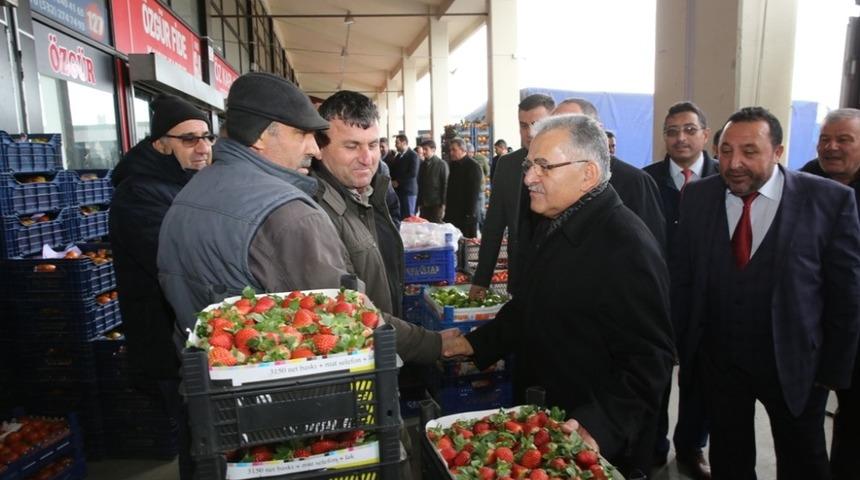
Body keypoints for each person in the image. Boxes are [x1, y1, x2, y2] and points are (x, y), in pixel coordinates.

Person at [443, 113, 675, 477]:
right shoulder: (555, 220)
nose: (529, 178)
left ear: (588, 174)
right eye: (529, 164)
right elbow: (531, 305)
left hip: (588, 436)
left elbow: (650, 359)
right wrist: (473, 345)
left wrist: (599, 427)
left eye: (544, 166)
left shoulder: (625, 245)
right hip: (548, 413)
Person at [157, 73, 443, 365]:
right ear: (259, 136)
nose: (314, 149)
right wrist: (434, 345)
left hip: (216, 383)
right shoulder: (288, 213)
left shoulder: (192, 191)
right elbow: (343, 317)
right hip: (281, 393)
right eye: (302, 134)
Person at [673, 107, 860, 479]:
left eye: (749, 151)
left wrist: (834, 371)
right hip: (720, 361)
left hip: (796, 365)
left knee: (803, 458)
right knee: (729, 456)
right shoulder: (697, 198)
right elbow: (684, 279)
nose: (734, 163)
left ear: (778, 152)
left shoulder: (828, 200)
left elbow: (846, 296)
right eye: (725, 151)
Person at [109, 94, 212, 480]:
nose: (202, 147)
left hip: (187, 338)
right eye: (189, 139)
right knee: (196, 440)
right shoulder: (138, 194)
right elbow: (176, 262)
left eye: (206, 136)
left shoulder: (183, 182)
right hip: (167, 345)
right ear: (160, 144)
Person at [643, 101, 718, 479]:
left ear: (706, 134)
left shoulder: (725, 180)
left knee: (699, 377)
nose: (680, 137)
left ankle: (691, 446)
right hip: (657, 298)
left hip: (708, 300)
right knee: (653, 375)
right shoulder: (646, 180)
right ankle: (653, 445)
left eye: (690, 129)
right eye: (672, 131)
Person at [800, 108, 860, 480]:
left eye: (844, 139)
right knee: (804, 426)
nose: (831, 147)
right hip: (810, 329)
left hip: (855, 326)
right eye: (825, 139)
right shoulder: (804, 180)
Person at [469, 94, 555, 299]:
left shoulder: (568, 165)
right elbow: (493, 227)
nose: (530, 132)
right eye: (523, 125)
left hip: (557, 278)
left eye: (537, 124)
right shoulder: (507, 165)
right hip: (520, 277)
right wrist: (481, 279)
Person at [552, 98, 666, 250]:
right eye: (554, 127)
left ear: (597, 130)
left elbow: (651, 247)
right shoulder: (552, 180)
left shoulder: (635, 182)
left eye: (571, 126)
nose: (561, 135)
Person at [443, 137, 483, 238]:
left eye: (454, 150)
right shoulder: (453, 165)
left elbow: (474, 192)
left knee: (467, 247)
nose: (451, 152)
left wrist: (470, 214)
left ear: (463, 150)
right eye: (450, 150)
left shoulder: (473, 166)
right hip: (453, 214)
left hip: (467, 216)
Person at [416, 139, 448, 223]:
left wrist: (443, 205)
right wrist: (419, 203)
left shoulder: (441, 164)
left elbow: (445, 185)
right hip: (424, 204)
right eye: (423, 149)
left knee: (436, 228)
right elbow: (420, 184)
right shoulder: (422, 165)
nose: (423, 152)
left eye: (426, 149)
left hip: (436, 204)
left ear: (433, 150)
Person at [391, 134, 420, 218]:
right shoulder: (398, 156)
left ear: (404, 143)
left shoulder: (413, 155)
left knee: (409, 218)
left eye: (397, 143)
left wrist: (398, 181)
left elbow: (413, 173)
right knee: (401, 217)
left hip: (409, 192)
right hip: (399, 192)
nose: (395, 145)